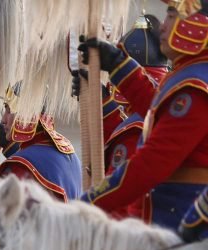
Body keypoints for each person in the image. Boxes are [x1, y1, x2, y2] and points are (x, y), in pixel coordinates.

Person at [79, 0, 208, 229]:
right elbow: (157, 108)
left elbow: (151, 164)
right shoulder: (190, 72)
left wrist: (90, 202)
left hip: (178, 225)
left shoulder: (195, 85)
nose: (163, 26)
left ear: (197, 24)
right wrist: (119, 65)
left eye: (171, 15)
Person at [0, 85, 83, 201]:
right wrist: (9, 146)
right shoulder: (70, 153)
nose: (3, 119)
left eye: (9, 109)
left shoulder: (19, 165)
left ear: (25, 113)